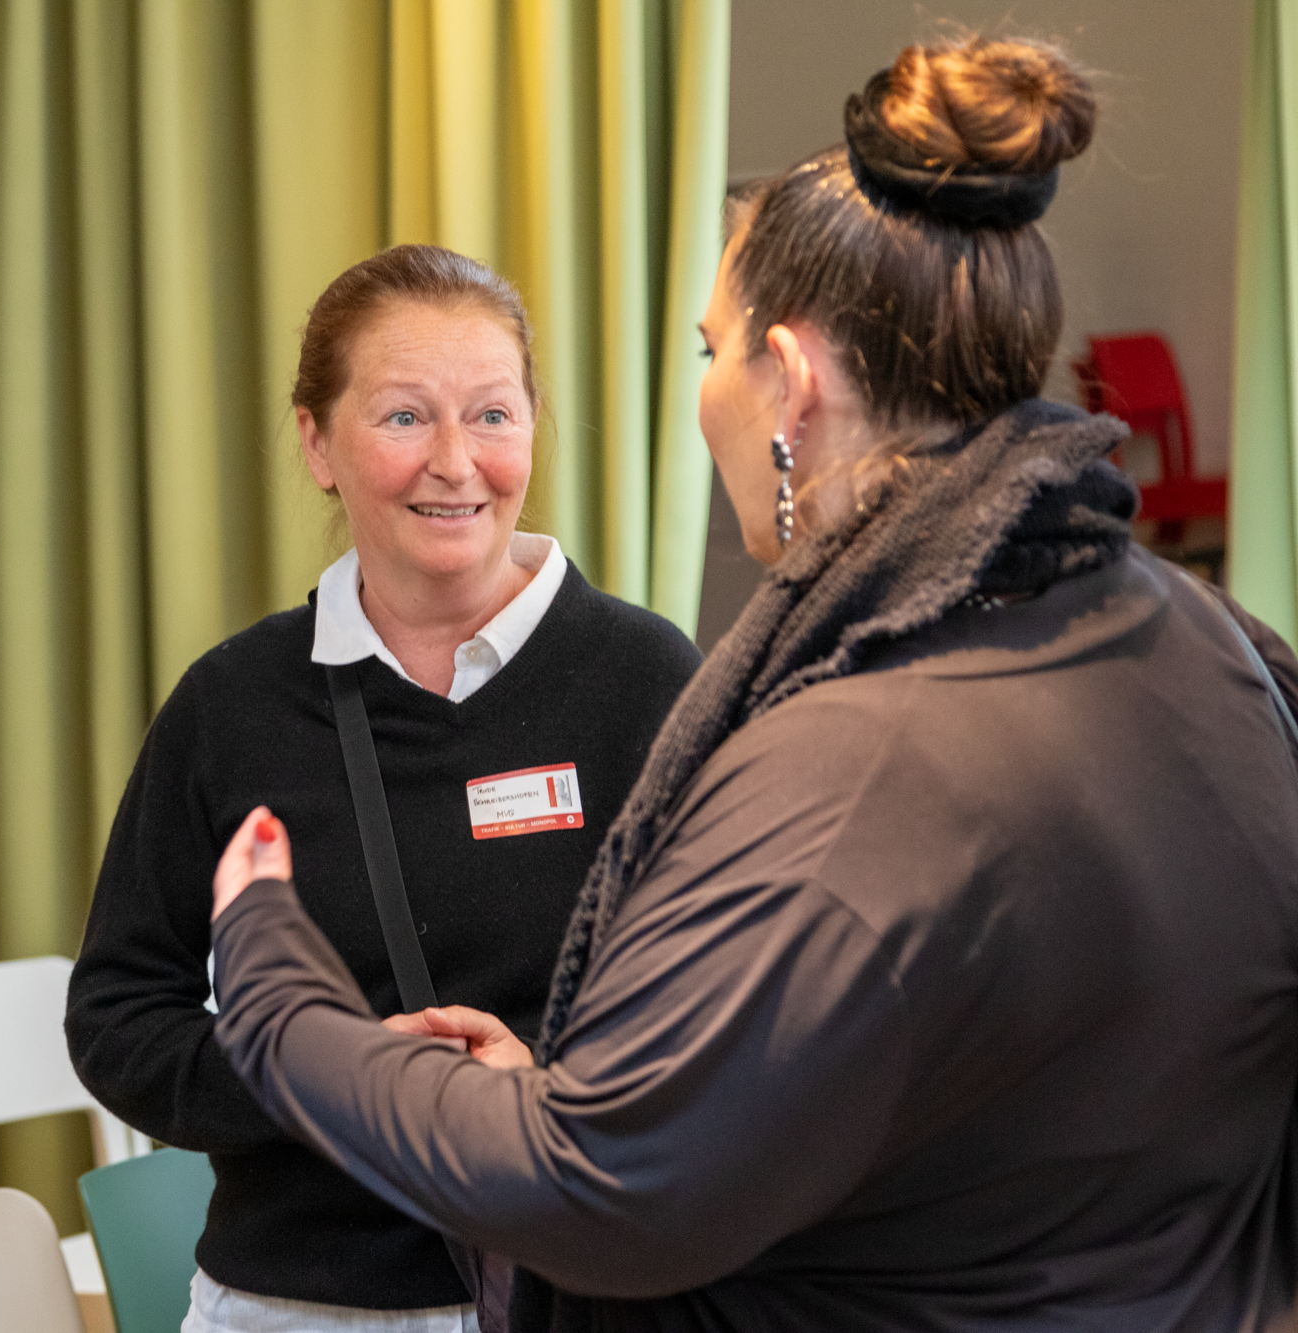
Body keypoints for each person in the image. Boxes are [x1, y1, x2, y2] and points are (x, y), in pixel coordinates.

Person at [202, 37, 1298, 1333]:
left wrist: (271, 983)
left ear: (790, 381)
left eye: (709, 348)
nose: (704, 393)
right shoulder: (1219, 649)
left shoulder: (860, 761)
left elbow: (596, 1190)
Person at [66, 245, 700, 1331]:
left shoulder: (645, 679)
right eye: (404, 416)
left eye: (492, 415)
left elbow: (733, 1007)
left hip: (578, 1292)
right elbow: (117, 1018)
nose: (455, 462)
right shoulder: (231, 705)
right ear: (316, 442)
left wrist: (546, 1085)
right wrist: (316, 1076)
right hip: (295, 1305)